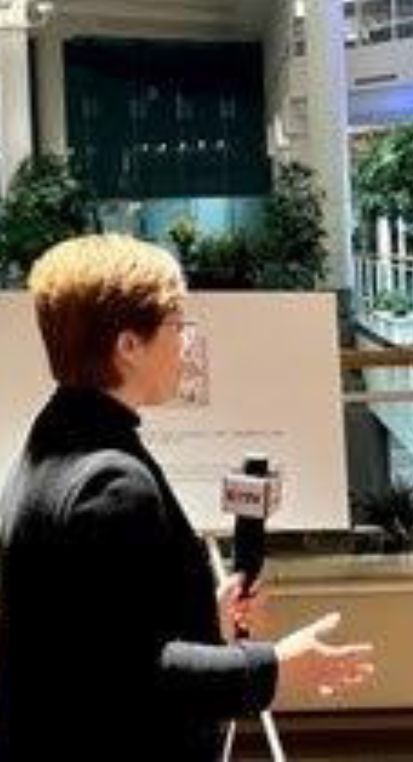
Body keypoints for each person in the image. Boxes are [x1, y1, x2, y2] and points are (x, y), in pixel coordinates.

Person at [0, 234, 374, 761]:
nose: (186, 343)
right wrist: (277, 667)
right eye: (177, 326)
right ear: (128, 345)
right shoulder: (112, 483)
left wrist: (202, 619)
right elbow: (136, 676)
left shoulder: (48, 445)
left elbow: (87, 638)